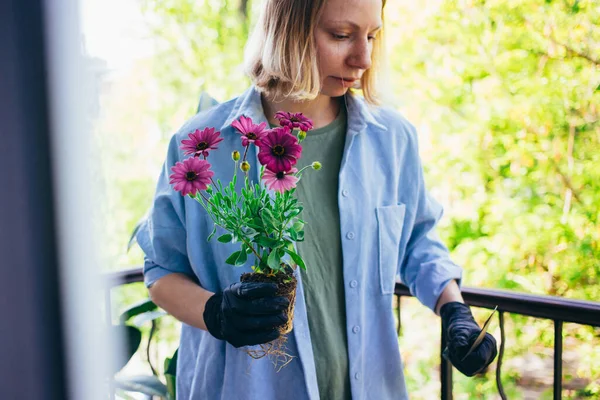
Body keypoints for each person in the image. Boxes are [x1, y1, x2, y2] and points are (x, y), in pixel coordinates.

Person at [136, 0, 498, 399]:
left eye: (372, 36)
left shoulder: (392, 139)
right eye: (341, 36)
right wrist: (215, 313)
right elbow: (161, 272)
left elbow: (417, 242)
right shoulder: (205, 146)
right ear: (286, 30)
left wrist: (454, 311)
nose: (363, 58)